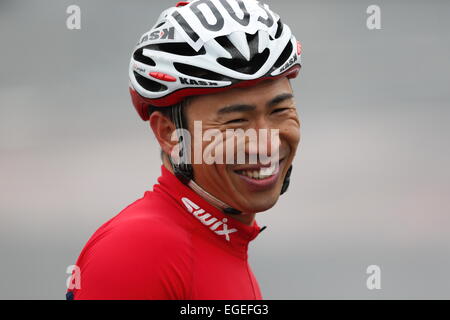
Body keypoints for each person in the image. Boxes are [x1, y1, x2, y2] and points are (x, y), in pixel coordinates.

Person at [66, 0, 302, 300]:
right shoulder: (138, 253)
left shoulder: (221, 238)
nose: (266, 143)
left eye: (280, 110)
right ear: (170, 134)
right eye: (235, 122)